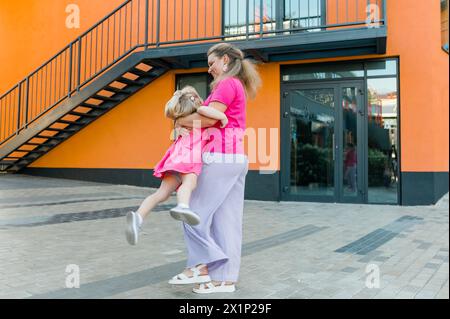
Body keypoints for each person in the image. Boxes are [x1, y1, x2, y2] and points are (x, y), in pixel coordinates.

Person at [167, 43, 261, 294]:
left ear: (226, 60)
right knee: (226, 221)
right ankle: (225, 279)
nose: (209, 69)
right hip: (234, 158)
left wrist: (177, 119)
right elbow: (209, 120)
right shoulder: (235, 85)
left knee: (191, 211)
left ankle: (201, 266)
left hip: (219, 157)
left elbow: (208, 119)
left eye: (212, 63)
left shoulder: (227, 84)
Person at [125, 86, 228, 246]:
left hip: (175, 158)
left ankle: (138, 217)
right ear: (194, 99)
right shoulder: (199, 113)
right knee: (189, 183)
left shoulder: (181, 120)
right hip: (188, 157)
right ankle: (183, 206)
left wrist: (177, 126)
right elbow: (211, 115)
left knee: (161, 194)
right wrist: (222, 116)